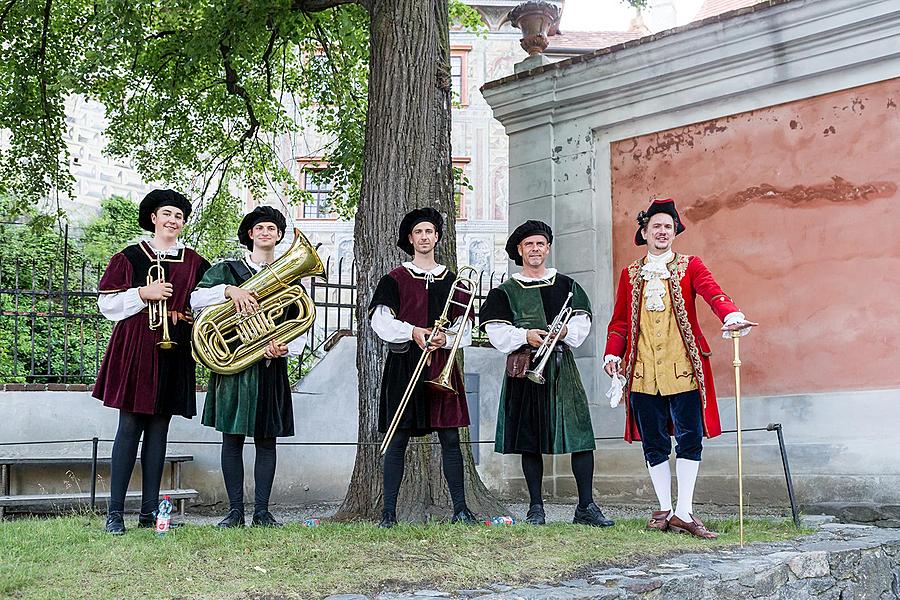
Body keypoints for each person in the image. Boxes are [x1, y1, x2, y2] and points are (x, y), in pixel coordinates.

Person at [604, 198, 757, 539]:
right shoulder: (630, 274)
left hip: (684, 368)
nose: (662, 232)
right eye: (656, 226)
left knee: (689, 438)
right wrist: (613, 354)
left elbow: (713, 293)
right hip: (643, 370)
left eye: (668, 227)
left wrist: (730, 315)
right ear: (644, 232)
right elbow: (619, 323)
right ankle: (665, 508)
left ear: (675, 233)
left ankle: (685, 511)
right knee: (654, 442)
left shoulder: (690, 265)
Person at [480, 220, 614, 527]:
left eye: (540, 244)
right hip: (526, 367)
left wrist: (563, 330)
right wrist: (526, 336)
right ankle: (536, 508)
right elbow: (496, 333)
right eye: (529, 245)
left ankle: (586, 507)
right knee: (530, 438)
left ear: (548, 248)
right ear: (520, 250)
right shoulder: (505, 291)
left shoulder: (567, 285)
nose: (535, 249)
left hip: (560, 365)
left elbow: (582, 325)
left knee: (580, 436)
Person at [94, 189, 209, 534]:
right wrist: (144, 293)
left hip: (174, 351)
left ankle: (149, 514)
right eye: (167, 214)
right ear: (154, 219)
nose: (173, 221)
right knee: (128, 429)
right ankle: (114, 514)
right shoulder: (129, 256)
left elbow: (203, 301)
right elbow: (106, 303)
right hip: (136, 350)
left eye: (179, 217)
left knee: (159, 431)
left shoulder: (195, 262)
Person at [191, 206, 304, 528]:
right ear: (250, 234)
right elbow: (195, 300)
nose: (266, 232)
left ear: (279, 235)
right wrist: (229, 291)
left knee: (267, 441)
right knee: (232, 440)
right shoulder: (226, 270)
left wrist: (283, 347)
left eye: (272, 228)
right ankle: (235, 511)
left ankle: (263, 512)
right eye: (260, 228)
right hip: (234, 370)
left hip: (269, 367)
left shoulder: (289, 274)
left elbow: (298, 319)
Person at [369, 207, 477, 527]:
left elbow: (465, 328)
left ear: (438, 237)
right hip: (405, 363)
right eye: (418, 232)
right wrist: (413, 331)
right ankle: (388, 514)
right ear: (410, 239)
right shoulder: (395, 278)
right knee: (398, 438)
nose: (424, 237)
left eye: (429, 231)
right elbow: (380, 321)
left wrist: (447, 339)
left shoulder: (454, 280)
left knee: (450, 439)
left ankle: (460, 509)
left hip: (441, 363)